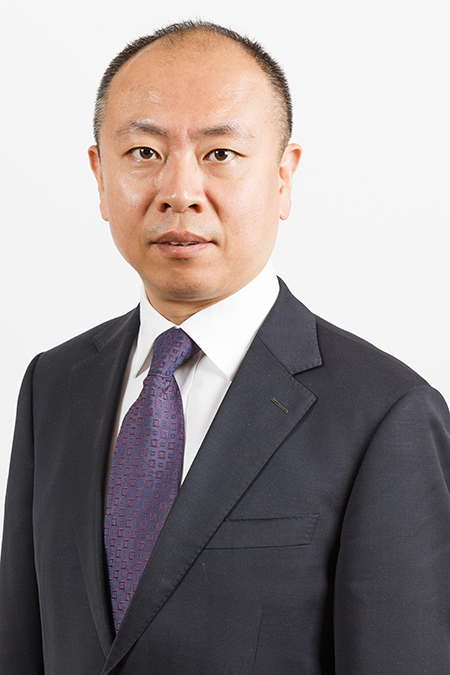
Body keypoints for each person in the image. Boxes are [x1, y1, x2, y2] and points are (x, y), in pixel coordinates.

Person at [1, 20, 449, 675]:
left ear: (283, 177)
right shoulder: (54, 385)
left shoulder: (388, 414)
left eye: (220, 153)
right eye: (144, 152)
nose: (179, 193)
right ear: (99, 175)